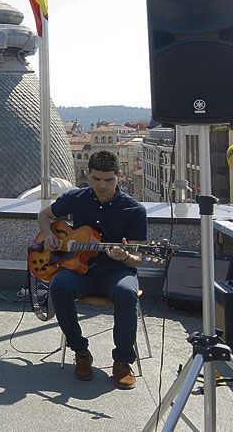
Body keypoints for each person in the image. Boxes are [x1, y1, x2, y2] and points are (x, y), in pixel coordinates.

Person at [38, 150, 146, 390]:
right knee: (58, 286)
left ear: (118, 176)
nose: (102, 185)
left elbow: (138, 259)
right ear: (88, 176)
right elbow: (44, 215)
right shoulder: (76, 198)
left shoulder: (134, 210)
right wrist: (48, 236)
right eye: (96, 179)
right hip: (81, 269)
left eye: (108, 180)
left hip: (117, 272)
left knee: (127, 293)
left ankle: (122, 362)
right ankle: (80, 351)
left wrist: (126, 255)